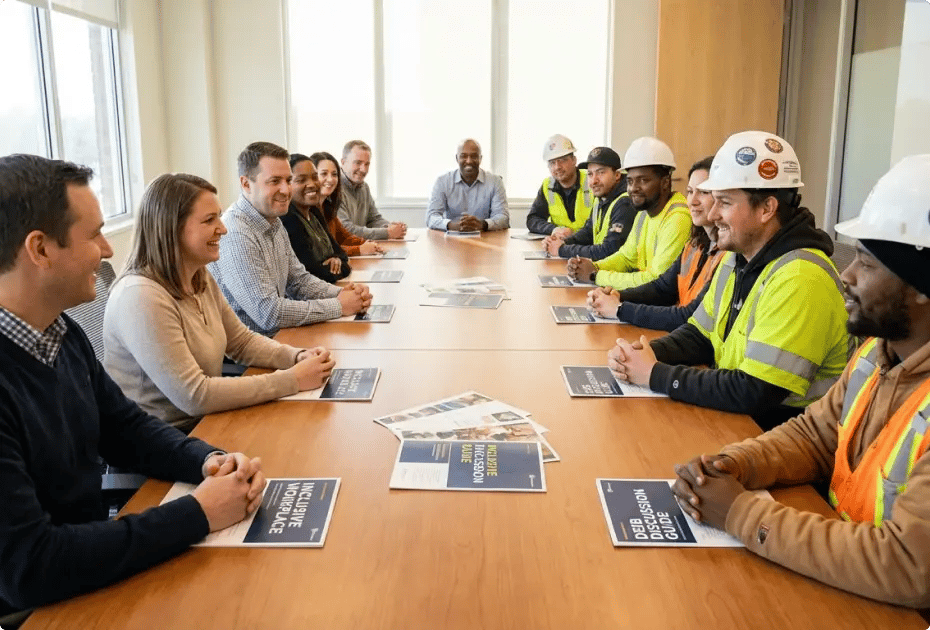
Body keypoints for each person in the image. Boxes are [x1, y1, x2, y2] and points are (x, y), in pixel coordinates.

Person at [0, 155, 265, 619]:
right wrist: (197, 514)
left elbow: (126, 429)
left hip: (90, 566)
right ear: (40, 250)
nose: (107, 250)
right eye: (94, 234)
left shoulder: (62, 333)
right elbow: (29, 566)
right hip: (45, 602)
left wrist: (208, 460)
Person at [671, 154, 930, 607]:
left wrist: (740, 512)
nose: (846, 275)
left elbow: (907, 564)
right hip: (842, 583)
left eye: (867, 264)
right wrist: (735, 464)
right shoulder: (877, 353)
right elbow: (814, 436)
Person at [607, 131, 849, 430]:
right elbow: (699, 334)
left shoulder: (801, 278)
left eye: (724, 202)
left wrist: (655, 375)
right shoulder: (738, 257)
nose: (712, 212)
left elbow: (755, 391)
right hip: (738, 422)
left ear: (766, 209)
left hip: (774, 433)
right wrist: (648, 353)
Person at [104, 173, 336, 433]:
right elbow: (195, 396)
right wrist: (292, 379)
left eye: (219, 216)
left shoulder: (198, 275)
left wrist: (295, 356)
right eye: (209, 220)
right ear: (172, 228)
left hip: (205, 425)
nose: (223, 228)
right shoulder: (140, 296)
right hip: (165, 445)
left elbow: (241, 342)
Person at [207, 141, 372, 337]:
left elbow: (299, 281)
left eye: (287, 180)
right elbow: (268, 313)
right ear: (245, 184)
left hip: (279, 338)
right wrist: (338, 306)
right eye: (275, 181)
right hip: (252, 354)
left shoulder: (274, 221)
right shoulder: (236, 233)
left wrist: (343, 294)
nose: (286, 190)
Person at [587, 156, 727, 331]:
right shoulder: (695, 244)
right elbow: (662, 288)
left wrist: (620, 308)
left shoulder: (727, 254)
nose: (693, 201)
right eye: (690, 192)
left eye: (704, 192)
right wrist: (617, 295)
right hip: (683, 339)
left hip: (693, 344)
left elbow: (689, 316)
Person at [566, 137, 691, 291]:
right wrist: (594, 266)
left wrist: (595, 275)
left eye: (643, 180)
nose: (633, 188)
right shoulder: (644, 213)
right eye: (630, 181)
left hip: (661, 303)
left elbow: (655, 280)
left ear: (665, 182)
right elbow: (626, 257)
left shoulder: (677, 219)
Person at [542, 146, 636, 260]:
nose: (594, 181)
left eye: (601, 173)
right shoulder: (601, 197)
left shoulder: (625, 203)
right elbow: (588, 232)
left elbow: (609, 250)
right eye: (590, 174)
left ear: (617, 175)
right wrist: (561, 242)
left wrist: (562, 250)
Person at [280, 154, 350, 282]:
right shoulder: (287, 220)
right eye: (301, 180)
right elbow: (311, 273)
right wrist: (339, 269)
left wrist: (337, 261)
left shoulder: (315, 212)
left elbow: (342, 256)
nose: (312, 184)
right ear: (287, 185)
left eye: (314, 177)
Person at [426, 138, 510, 232]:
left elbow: (503, 218)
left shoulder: (495, 182)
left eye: (474, 156)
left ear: (480, 159)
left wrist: (482, 224)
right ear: (457, 158)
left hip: (485, 238)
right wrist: (451, 225)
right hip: (452, 239)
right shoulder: (442, 181)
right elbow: (431, 217)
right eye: (463, 156)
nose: (469, 161)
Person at [311, 151, 384, 257]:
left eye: (334, 174)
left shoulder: (328, 208)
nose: (330, 179)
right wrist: (359, 249)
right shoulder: (308, 211)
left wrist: (368, 244)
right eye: (324, 174)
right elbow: (324, 251)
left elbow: (345, 238)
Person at [525, 134, 598, 237]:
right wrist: (554, 229)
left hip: (590, 245)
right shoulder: (548, 185)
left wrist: (575, 235)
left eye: (563, 160)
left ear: (574, 160)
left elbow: (602, 223)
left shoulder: (592, 180)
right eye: (552, 163)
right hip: (560, 244)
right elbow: (533, 219)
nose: (557, 167)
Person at [337, 140, 407, 240]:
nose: (363, 169)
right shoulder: (334, 189)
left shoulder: (364, 187)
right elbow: (346, 230)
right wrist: (387, 233)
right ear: (343, 162)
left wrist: (391, 227)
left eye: (367, 164)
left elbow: (373, 219)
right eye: (358, 163)